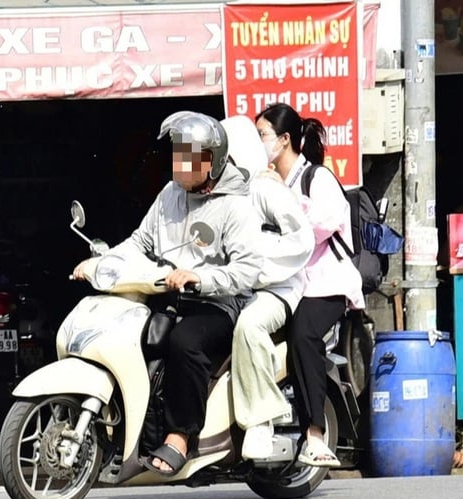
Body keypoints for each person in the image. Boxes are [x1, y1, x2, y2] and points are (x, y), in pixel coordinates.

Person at [72, 111, 262, 476]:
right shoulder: (169, 195)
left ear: (212, 160)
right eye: (178, 153)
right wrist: (99, 263)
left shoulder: (235, 205)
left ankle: (181, 435)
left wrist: (200, 278)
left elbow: (246, 271)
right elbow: (140, 242)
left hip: (219, 305)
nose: (180, 163)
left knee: (184, 342)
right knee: (135, 338)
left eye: (189, 156)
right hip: (169, 296)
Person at [255, 102, 364, 467]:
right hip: (287, 285)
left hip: (326, 285)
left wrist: (281, 201)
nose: (259, 144)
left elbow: (314, 230)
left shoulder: (316, 179)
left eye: (263, 136)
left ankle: (314, 434)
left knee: (303, 335)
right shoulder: (265, 183)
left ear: (285, 140)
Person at [220, 115, 315, 460]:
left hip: (276, 288)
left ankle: (261, 422)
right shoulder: (219, 194)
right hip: (231, 288)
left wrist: (257, 265)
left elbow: (301, 240)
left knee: (249, 325)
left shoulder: (265, 188)